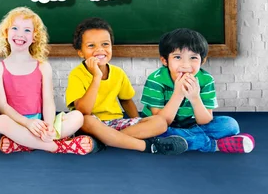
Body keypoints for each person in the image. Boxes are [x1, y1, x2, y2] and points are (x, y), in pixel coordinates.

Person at [65, 18, 187, 155]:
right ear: (80, 52)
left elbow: (126, 100)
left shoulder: (118, 73)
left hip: (116, 123)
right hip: (92, 125)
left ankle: (107, 140)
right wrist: (96, 77)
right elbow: (83, 110)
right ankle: (146, 146)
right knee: (86, 120)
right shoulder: (76, 74)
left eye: (105, 44)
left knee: (160, 122)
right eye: (91, 46)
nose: (100, 49)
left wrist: (138, 122)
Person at [0, 7, 97, 154]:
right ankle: (57, 147)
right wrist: (28, 123)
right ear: (6, 33)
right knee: (0, 122)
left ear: (35, 37)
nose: (20, 34)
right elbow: (2, 105)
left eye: (27, 30)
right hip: (15, 123)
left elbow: (48, 101)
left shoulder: (43, 67)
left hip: (40, 123)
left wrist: (48, 127)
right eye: (15, 28)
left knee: (78, 117)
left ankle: (23, 144)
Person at [141, 28, 254, 153]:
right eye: (177, 57)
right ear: (165, 60)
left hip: (191, 125)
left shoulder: (206, 80)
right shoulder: (156, 80)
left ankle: (179, 141)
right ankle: (212, 145)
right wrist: (178, 94)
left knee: (230, 125)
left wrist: (195, 98)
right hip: (161, 127)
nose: (186, 65)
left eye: (193, 58)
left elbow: (205, 120)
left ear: (203, 61)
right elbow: (161, 121)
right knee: (150, 132)